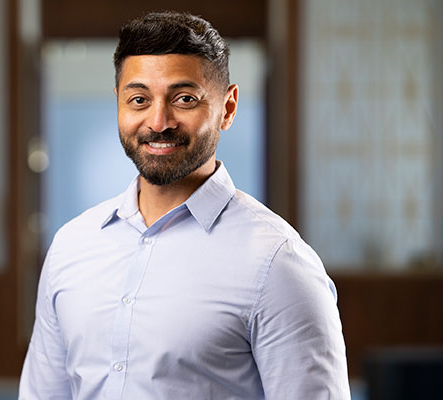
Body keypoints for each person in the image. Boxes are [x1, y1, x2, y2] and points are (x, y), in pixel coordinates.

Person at [19, 11, 350, 400]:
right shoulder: (71, 247)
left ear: (227, 108)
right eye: (139, 99)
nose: (158, 121)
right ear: (119, 104)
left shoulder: (278, 263)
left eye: (185, 99)